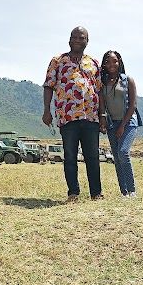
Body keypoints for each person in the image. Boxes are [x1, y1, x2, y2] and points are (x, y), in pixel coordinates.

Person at [43, 26, 103, 202]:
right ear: (69, 39)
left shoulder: (93, 63)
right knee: (70, 156)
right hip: (67, 117)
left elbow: (99, 90)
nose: (77, 40)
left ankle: (96, 193)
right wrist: (47, 110)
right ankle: (73, 193)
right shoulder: (58, 61)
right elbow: (48, 86)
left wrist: (102, 116)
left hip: (90, 116)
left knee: (92, 156)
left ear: (87, 41)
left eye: (81, 38)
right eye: (74, 37)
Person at [100, 50, 142, 197]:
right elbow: (102, 104)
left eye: (115, 61)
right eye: (108, 62)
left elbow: (133, 105)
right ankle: (124, 192)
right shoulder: (103, 83)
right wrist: (103, 120)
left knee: (123, 152)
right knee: (117, 158)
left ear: (119, 62)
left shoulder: (128, 80)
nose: (111, 64)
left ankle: (132, 190)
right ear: (104, 65)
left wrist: (123, 125)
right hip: (112, 124)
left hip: (128, 122)